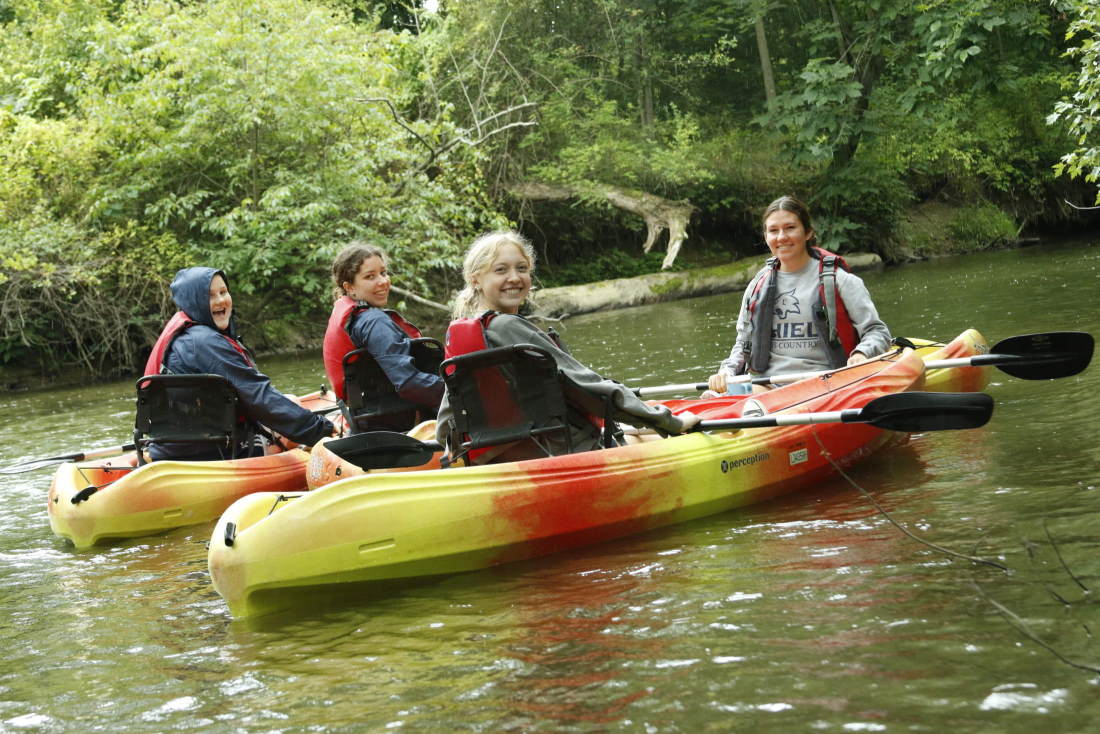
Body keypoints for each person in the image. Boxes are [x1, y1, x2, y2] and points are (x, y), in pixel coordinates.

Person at [436, 230, 699, 463]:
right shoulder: (508, 327)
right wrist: (668, 421)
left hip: (501, 458)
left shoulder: (461, 332)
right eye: (501, 270)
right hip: (562, 453)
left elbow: (445, 426)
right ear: (475, 280)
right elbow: (589, 387)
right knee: (651, 439)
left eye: (522, 269)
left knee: (637, 430)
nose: (514, 278)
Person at [144, 267, 334, 461]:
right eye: (209, 296)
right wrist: (324, 431)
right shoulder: (204, 342)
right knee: (292, 412)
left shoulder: (185, 335)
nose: (220, 300)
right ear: (193, 301)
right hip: (212, 452)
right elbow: (260, 397)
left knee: (291, 402)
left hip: (173, 446)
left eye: (223, 292)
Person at [707, 196, 891, 395]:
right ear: (766, 236)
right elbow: (744, 343)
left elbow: (877, 332)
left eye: (790, 228)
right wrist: (727, 371)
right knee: (716, 397)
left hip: (826, 385)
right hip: (767, 386)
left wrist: (862, 353)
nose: (781, 237)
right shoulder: (756, 287)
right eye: (773, 230)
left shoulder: (841, 281)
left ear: (808, 232)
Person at [322, 242, 444, 422]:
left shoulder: (355, 318)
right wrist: (459, 390)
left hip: (367, 416)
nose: (383, 281)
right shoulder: (373, 322)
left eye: (383, 273)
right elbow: (408, 383)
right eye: (370, 276)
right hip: (398, 421)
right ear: (350, 287)